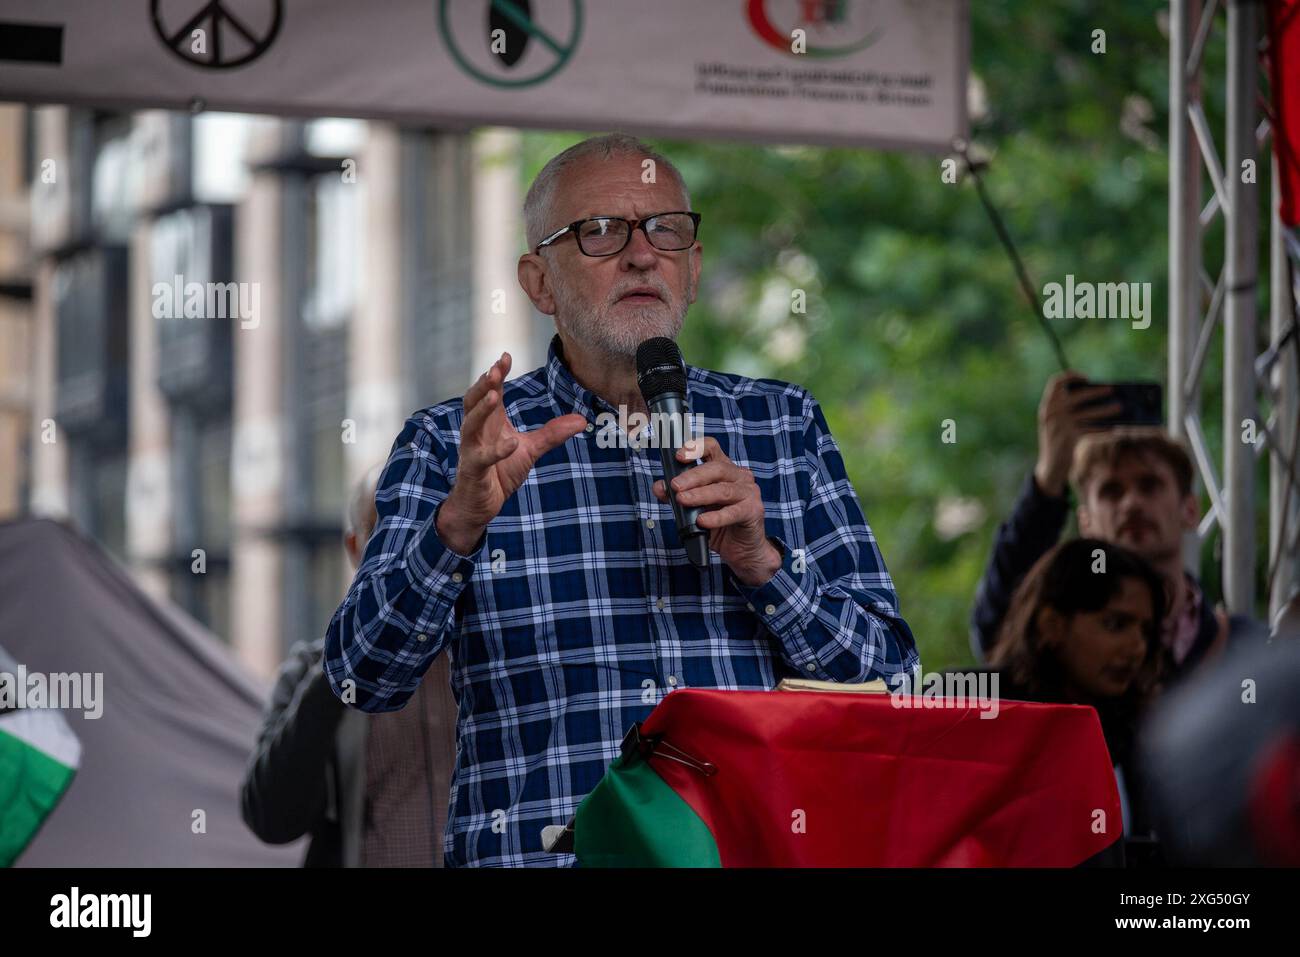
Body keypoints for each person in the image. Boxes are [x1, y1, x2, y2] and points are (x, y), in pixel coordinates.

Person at [323, 132, 919, 867]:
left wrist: (766, 566)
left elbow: (893, 683)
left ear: (694, 269)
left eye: (666, 229)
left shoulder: (781, 425)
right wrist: (457, 525)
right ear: (539, 282)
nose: (642, 253)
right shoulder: (455, 444)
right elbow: (362, 677)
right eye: (600, 231)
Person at [971, 371, 1263, 680]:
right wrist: (1048, 479)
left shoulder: (1250, 651)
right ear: (1086, 522)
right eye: (1111, 491)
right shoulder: (1063, 646)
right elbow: (997, 633)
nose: (1131, 503)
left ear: (1190, 510)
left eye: (1149, 485)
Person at [241, 465, 459, 867]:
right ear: (356, 548)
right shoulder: (313, 669)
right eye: (387, 530)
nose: (408, 551)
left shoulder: (490, 654)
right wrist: (341, 662)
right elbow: (270, 819)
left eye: (422, 527)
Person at [988, 538, 1165, 854]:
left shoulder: (1143, 734)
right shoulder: (981, 712)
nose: (1137, 647)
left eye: (1145, 631)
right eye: (1115, 624)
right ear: (1051, 625)